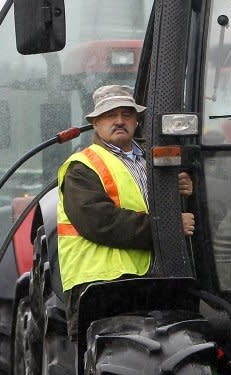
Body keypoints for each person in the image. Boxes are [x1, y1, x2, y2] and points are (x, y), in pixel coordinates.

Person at [58, 84, 194, 336]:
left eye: (127, 114)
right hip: (103, 289)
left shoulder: (152, 162)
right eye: (110, 115)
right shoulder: (81, 167)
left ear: (137, 120)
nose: (120, 121)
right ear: (95, 123)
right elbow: (100, 221)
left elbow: (151, 205)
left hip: (153, 281)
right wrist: (168, 229)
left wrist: (183, 191)